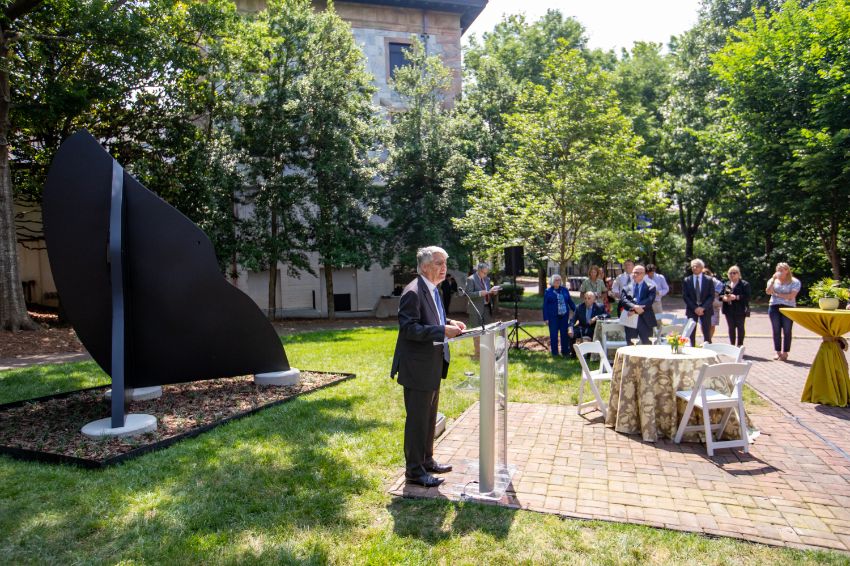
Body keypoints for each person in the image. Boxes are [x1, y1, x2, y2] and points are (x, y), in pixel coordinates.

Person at [391, 246, 466, 488]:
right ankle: (414, 471)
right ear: (424, 267)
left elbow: (431, 317)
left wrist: (448, 322)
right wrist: (442, 330)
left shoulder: (432, 289)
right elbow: (409, 328)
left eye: (445, 262)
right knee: (417, 421)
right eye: (438, 263)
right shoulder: (413, 292)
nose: (444, 267)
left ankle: (426, 459)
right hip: (417, 367)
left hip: (432, 364)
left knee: (429, 417)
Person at [766, 262, 801, 361]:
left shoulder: (795, 282)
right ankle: (777, 352)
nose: (780, 272)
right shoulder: (772, 280)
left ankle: (785, 352)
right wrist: (773, 280)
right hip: (774, 307)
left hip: (788, 308)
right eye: (778, 270)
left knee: (787, 330)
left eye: (782, 270)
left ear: (787, 271)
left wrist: (776, 294)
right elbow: (768, 292)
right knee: (776, 330)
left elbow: (791, 296)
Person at [466, 262, 499, 357]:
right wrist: (480, 293)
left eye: (487, 273)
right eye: (484, 273)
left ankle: (489, 352)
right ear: (479, 271)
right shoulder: (471, 279)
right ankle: (478, 354)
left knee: (489, 330)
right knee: (476, 331)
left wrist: (493, 292)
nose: (485, 275)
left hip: (486, 307)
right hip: (475, 309)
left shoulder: (487, 279)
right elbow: (468, 294)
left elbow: (487, 291)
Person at [618, 264, 657, 344]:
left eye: (638, 273)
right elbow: (624, 300)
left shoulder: (651, 286)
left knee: (647, 346)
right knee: (631, 346)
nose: (635, 274)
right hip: (630, 320)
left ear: (643, 274)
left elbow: (649, 301)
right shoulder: (627, 287)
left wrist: (634, 310)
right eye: (634, 272)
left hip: (645, 320)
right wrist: (634, 307)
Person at [543, 274, 577, 357]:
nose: (558, 281)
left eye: (559, 280)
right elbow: (545, 306)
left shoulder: (565, 290)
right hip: (553, 317)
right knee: (554, 335)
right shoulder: (548, 291)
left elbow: (570, 302)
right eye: (556, 280)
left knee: (564, 334)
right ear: (552, 281)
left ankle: (565, 352)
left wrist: (577, 311)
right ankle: (555, 353)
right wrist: (546, 318)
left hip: (564, 316)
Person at [682, 258, 714, 346]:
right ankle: (692, 348)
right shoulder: (687, 280)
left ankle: (708, 348)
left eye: (697, 266)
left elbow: (711, 296)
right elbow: (685, 296)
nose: (694, 268)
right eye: (693, 266)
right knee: (691, 331)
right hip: (692, 309)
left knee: (707, 331)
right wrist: (695, 308)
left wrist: (703, 307)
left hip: (706, 309)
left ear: (702, 267)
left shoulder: (708, 280)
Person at [721, 265, 751, 347]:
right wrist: (724, 298)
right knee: (731, 328)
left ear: (739, 274)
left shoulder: (744, 284)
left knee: (740, 327)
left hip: (740, 310)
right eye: (730, 273)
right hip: (729, 310)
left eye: (734, 273)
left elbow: (747, 296)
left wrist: (736, 297)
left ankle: (740, 345)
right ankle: (732, 345)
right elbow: (721, 295)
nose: (732, 275)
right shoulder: (727, 284)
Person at [703, 268, 724, 343]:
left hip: (714, 306)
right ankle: (706, 340)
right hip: (703, 306)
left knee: (712, 324)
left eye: (706, 275)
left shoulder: (717, 283)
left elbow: (716, 293)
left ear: (710, 274)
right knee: (704, 324)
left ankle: (709, 340)